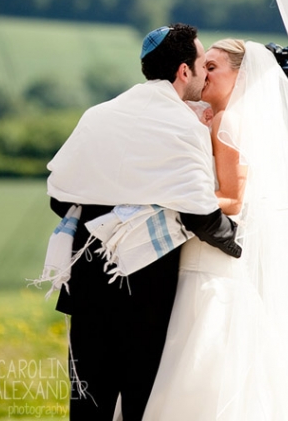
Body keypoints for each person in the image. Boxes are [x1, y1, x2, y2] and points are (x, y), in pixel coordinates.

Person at [47, 24, 241, 421]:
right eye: (200, 66)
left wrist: (112, 208)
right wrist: (236, 241)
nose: (205, 74)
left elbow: (59, 194)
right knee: (140, 393)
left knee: (88, 394)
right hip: (146, 280)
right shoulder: (183, 125)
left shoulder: (98, 114)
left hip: (88, 270)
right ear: (183, 72)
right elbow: (198, 212)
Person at [143, 40, 288, 420]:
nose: (204, 73)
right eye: (203, 65)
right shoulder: (218, 118)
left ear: (240, 75)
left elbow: (232, 200)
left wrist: (168, 200)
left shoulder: (232, 122)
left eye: (212, 67)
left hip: (211, 259)